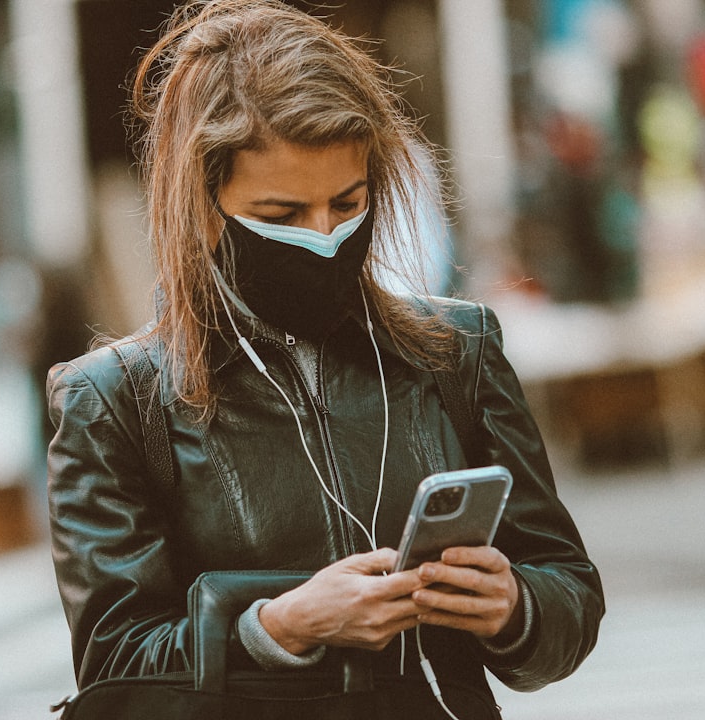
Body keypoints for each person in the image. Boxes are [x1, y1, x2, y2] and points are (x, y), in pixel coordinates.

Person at [45, 1, 604, 716]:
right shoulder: (115, 402)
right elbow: (114, 668)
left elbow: (569, 596)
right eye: (281, 215)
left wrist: (514, 605)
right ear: (204, 204)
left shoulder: (456, 354)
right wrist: (277, 627)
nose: (324, 236)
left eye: (348, 202)